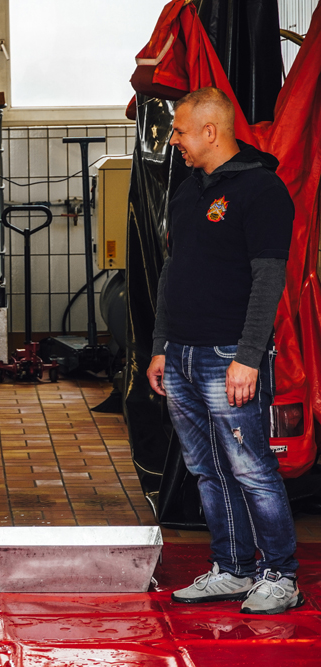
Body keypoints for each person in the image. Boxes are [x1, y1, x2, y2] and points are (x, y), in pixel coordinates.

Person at [147, 87, 302, 615]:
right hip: (182, 355)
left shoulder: (262, 190)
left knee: (251, 468)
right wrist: (161, 346)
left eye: (179, 131)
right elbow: (172, 272)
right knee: (207, 469)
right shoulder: (189, 191)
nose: (174, 140)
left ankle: (280, 575)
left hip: (228, 355)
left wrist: (248, 357)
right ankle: (233, 568)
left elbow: (269, 279)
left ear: (209, 131)